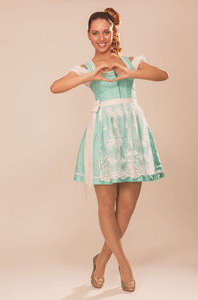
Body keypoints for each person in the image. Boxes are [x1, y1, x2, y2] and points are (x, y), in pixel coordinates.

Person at [50, 7, 168, 293]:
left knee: (125, 207)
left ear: (114, 32)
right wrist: (89, 77)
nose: (101, 37)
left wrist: (131, 71)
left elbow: (162, 74)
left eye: (106, 31)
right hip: (103, 136)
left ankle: (101, 260)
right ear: (88, 37)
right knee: (106, 205)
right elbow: (55, 87)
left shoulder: (130, 61)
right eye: (95, 33)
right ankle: (123, 263)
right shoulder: (87, 68)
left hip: (132, 136)